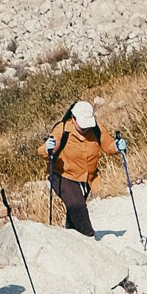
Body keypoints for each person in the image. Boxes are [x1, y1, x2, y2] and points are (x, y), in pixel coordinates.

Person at [41, 99, 117, 235]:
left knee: (74, 211)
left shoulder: (96, 128)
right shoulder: (62, 129)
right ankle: (89, 236)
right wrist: (47, 148)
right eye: (82, 125)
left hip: (86, 178)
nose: (85, 128)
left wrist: (117, 146)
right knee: (77, 205)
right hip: (62, 175)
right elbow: (47, 149)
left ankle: (71, 238)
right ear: (73, 118)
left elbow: (108, 145)